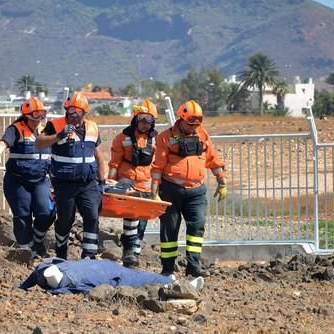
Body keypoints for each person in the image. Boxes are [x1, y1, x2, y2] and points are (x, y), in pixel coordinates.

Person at [151, 99, 228, 277]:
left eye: (197, 123)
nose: (194, 127)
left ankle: (193, 266)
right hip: (171, 190)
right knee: (170, 229)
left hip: (196, 191)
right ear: (181, 119)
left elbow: (213, 159)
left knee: (198, 225)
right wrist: (154, 191)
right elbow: (158, 167)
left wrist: (222, 180)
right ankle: (168, 269)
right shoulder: (166, 137)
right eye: (190, 123)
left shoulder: (202, 136)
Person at [36, 92, 108, 259]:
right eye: (69, 112)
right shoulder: (55, 125)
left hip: (88, 182)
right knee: (65, 220)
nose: (72, 116)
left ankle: (89, 256)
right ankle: (61, 249)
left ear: (84, 112)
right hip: (64, 182)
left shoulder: (92, 127)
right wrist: (59, 135)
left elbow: (98, 156)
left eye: (76, 113)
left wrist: (102, 180)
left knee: (92, 216)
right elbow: (39, 143)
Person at [0, 97, 54, 257]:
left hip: (40, 180)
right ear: (27, 116)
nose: (38, 120)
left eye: (42, 116)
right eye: (35, 116)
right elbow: (5, 141)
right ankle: (27, 251)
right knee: (22, 216)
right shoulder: (16, 129)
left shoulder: (47, 131)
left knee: (47, 212)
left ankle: (37, 240)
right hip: (18, 181)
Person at [107, 98, 159, 268]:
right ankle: (129, 253)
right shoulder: (122, 138)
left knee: (142, 221)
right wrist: (111, 182)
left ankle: (133, 256)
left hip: (145, 183)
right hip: (126, 180)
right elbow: (114, 163)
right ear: (136, 119)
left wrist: (157, 186)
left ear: (153, 122)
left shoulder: (156, 141)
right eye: (142, 119)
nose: (145, 123)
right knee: (132, 213)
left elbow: (159, 164)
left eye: (149, 120)